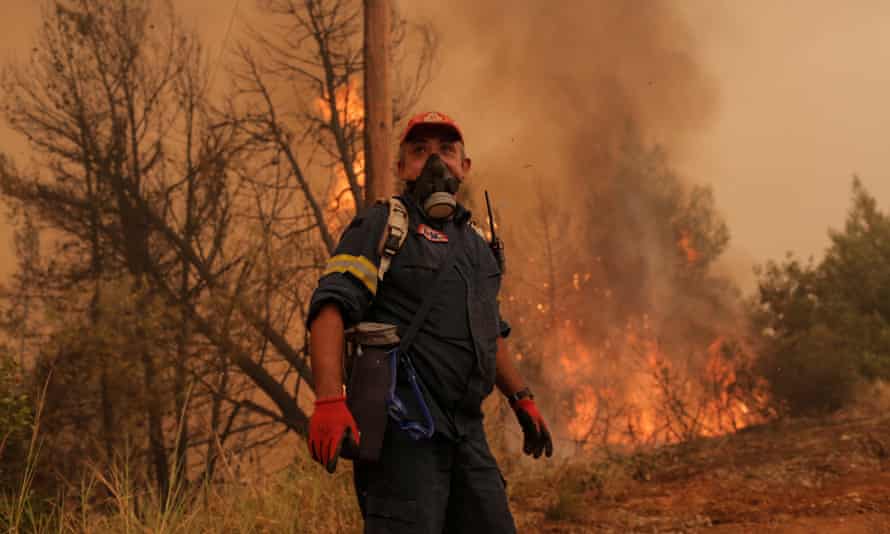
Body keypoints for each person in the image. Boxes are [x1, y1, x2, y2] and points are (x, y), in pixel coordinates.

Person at [305, 111, 552, 533]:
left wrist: (521, 397)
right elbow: (330, 307)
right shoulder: (382, 225)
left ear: (464, 166)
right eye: (420, 151)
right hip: (405, 435)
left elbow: (491, 332)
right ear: (402, 168)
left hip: (467, 436)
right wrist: (329, 401)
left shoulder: (476, 246)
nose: (435, 162)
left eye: (447, 151)